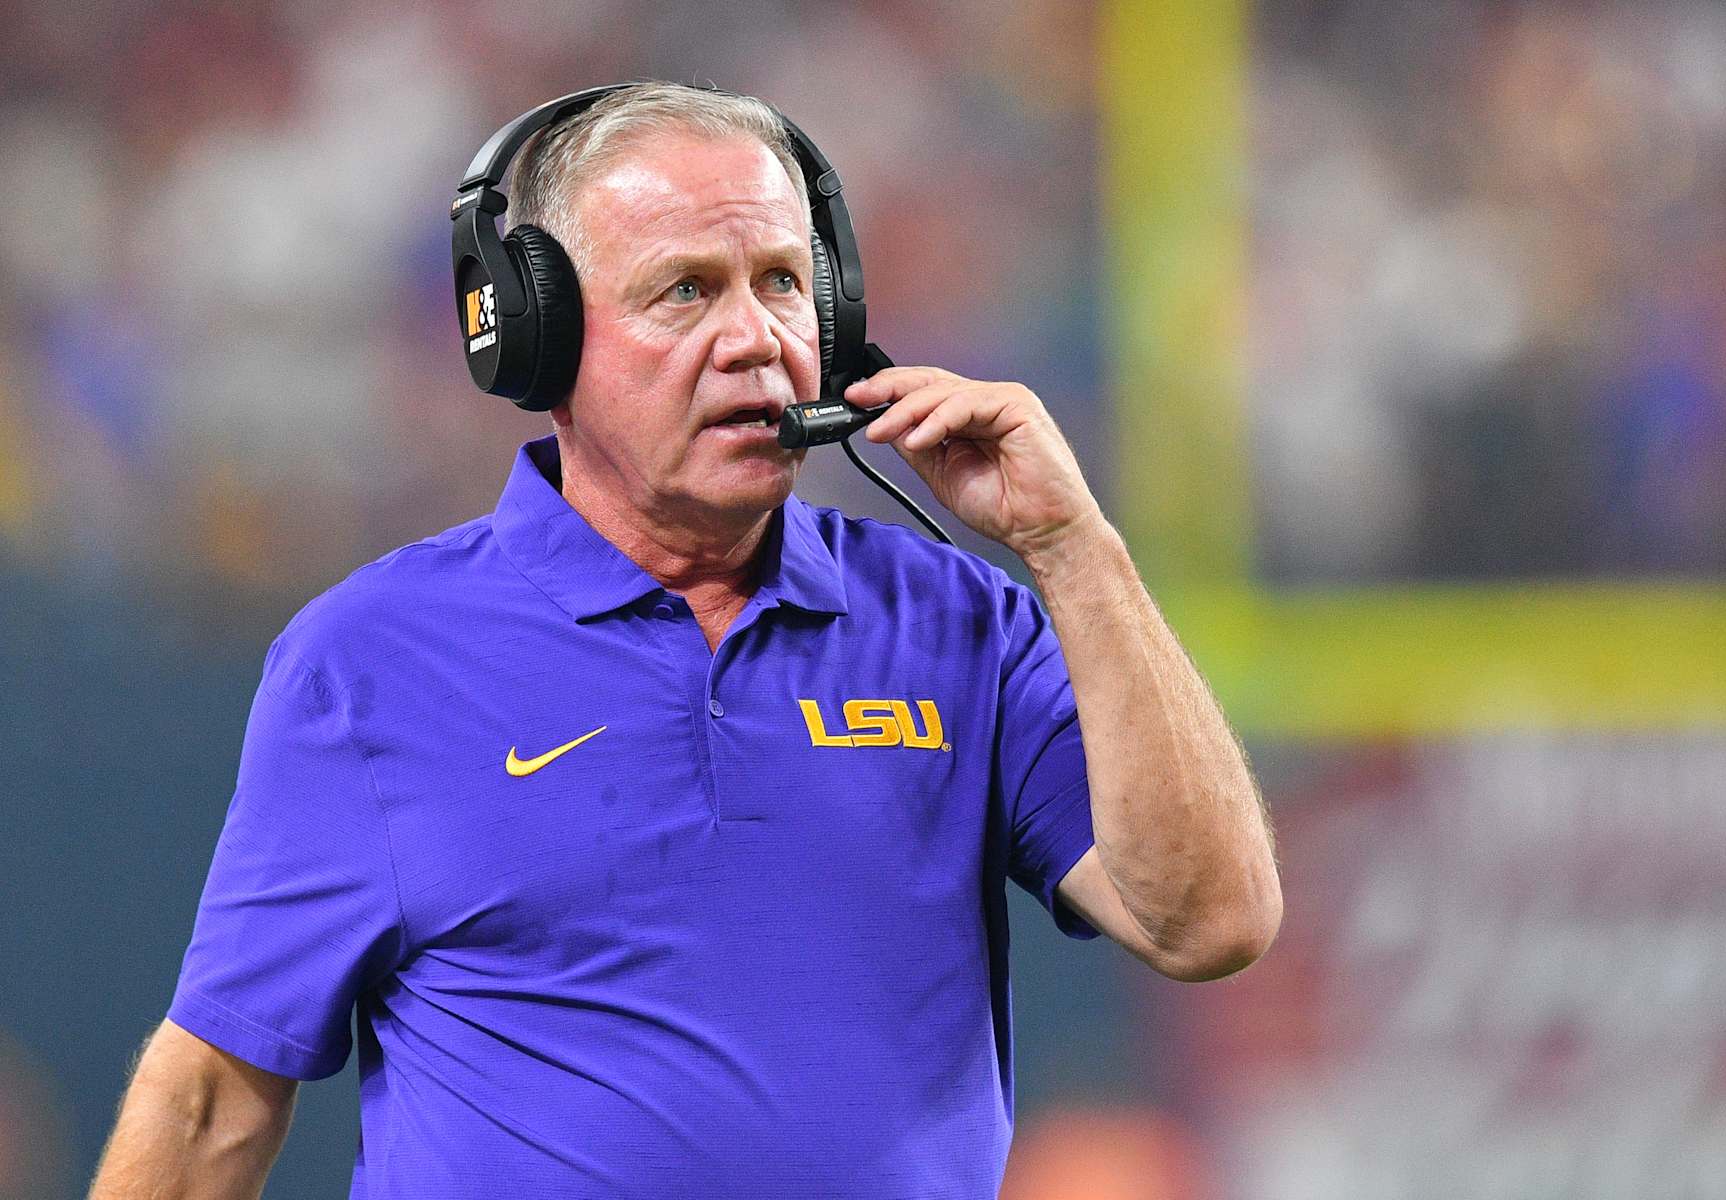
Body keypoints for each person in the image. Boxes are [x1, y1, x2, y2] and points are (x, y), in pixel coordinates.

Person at [89, 83, 1281, 1199]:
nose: (756, 336)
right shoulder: (370, 659)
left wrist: (1076, 548)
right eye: (686, 291)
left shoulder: (962, 622)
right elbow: (208, 1104)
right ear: (539, 339)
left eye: (779, 281)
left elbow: (1209, 923)